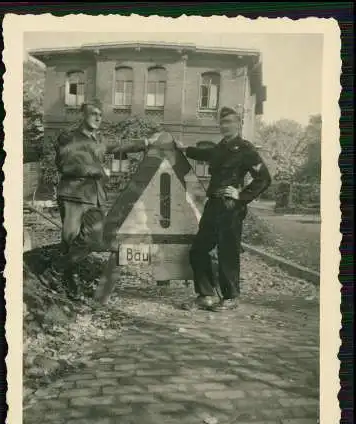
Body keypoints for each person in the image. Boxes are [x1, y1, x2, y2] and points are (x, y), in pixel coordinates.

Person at [39, 99, 161, 298]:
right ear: (82, 115)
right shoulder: (69, 137)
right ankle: (69, 283)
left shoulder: (99, 140)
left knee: (93, 239)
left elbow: (120, 145)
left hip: (94, 197)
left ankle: (55, 269)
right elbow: (66, 165)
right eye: (93, 113)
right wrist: (98, 170)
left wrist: (146, 142)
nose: (97, 117)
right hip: (73, 195)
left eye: (100, 115)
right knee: (70, 240)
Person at [176, 106, 271, 312]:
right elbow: (204, 153)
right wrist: (184, 149)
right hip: (213, 205)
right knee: (199, 249)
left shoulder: (246, 149)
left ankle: (230, 297)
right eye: (222, 122)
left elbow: (264, 178)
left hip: (231, 208)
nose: (225, 126)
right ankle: (206, 295)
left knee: (227, 252)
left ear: (238, 124)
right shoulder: (218, 148)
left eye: (229, 122)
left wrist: (242, 196)